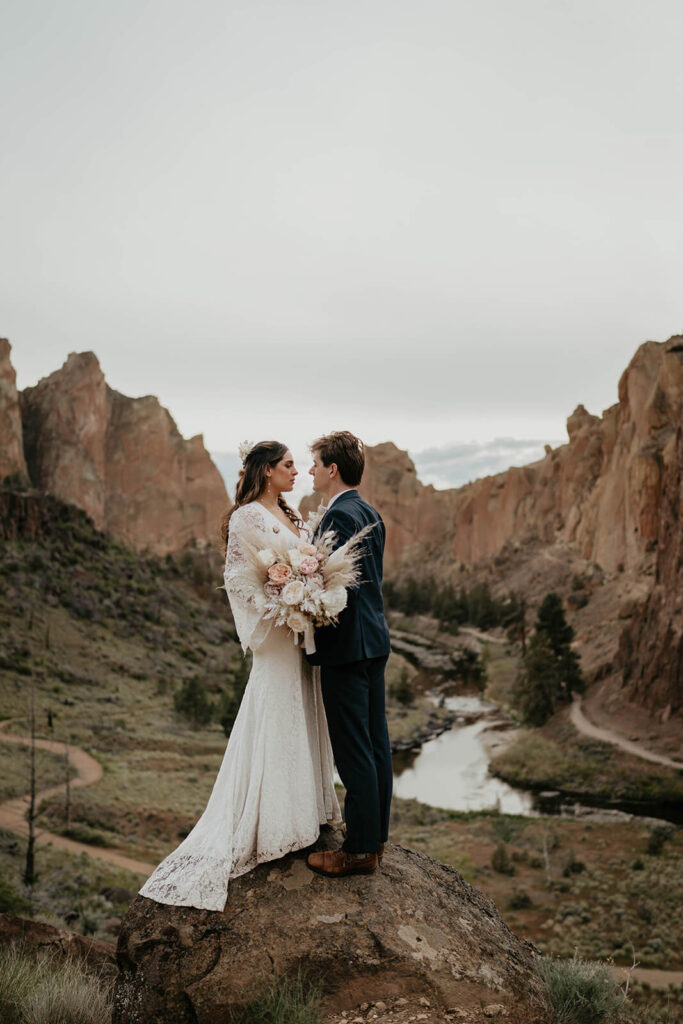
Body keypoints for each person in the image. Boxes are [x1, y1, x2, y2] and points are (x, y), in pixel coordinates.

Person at [138, 441, 340, 912]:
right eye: (288, 465)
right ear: (267, 471)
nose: (296, 471)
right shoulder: (247, 516)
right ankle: (274, 823)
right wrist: (280, 607)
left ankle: (304, 814)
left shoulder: (293, 515)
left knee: (303, 709)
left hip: (301, 631)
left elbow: (307, 568)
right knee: (277, 711)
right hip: (277, 633)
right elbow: (238, 578)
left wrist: (309, 599)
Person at [305, 431, 392, 878]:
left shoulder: (339, 516)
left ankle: (357, 851)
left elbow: (332, 588)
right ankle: (375, 837)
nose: (310, 470)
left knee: (354, 749)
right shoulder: (370, 511)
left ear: (332, 469)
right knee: (377, 744)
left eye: (315, 463)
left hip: (347, 649)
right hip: (374, 642)